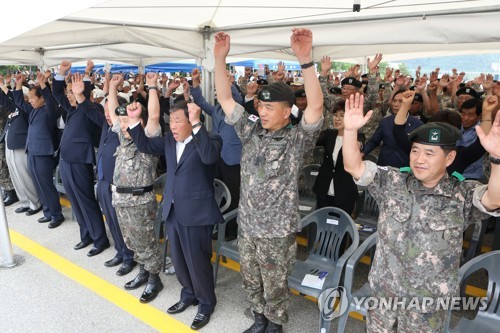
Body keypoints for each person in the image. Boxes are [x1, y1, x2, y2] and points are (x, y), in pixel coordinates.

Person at [342, 93, 500, 333]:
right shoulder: (393, 181)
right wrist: (350, 131)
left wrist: (497, 158)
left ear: (450, 158)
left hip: (427, 305)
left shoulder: (461, 194)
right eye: (416, 151)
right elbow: (353, 166)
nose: (419, 160)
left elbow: (494, 198)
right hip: (385, 295)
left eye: (429, 153)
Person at [214, 28, 324, 333]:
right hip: (249, 224)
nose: (261, 112)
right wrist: (220, 58)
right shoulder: (251, 131)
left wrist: (306, 61)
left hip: (277, 229)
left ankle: (275, 324)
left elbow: (315, 108)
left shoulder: (296, 139)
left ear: (287, 112)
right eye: (260, 106)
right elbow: (224, 98)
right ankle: (259, 318)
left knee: (275, 281)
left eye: (269, 107)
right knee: (250, 276)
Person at [127, 100, 223, 330]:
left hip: (197, 213)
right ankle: (188, 293)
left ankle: (206, 303)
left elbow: (210, 158)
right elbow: (146, 146)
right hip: (173, 210)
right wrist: (133, 120)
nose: (173, 126)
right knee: (179, 260)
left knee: (198, 261)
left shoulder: (210, 140)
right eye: (171, 121)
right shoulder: (170, 140)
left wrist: (198, 123)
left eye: (178, 120)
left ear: (191, 121)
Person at [107, 73, 164, 303]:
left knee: (146, 241)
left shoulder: (147, 138)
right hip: (121, 200)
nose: (123, 125)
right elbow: (113, 113)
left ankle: (154, 279)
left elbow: (155, 115)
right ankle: (143, 270)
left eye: (128, 122)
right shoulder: (124, 139)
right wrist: (112, 88)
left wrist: (151, 87)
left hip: (140, 201)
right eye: (123, 123)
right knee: (132, 241)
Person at [78, 72, 137, 276]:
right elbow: (87, 109)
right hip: (103, 180)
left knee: (121, 222)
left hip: (117, 183)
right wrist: (80, 96)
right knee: (111, 220)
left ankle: (129, 256)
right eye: (105, 111)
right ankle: (120, 251)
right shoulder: (106, 124)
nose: (106, 115)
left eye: (109, 111)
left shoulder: (123, 127)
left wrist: (112, 88)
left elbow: (114, 109)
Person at [52, 61, 110, 255]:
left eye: (73, 92)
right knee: (75, 201)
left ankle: (100, 240)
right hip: (66, 159)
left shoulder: (91, 108)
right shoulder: (71, 109)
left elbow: (100, 121)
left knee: (86, 200)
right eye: (69, 92)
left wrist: (82, 91)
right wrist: (61, 73)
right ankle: (86, 236)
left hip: (80, 161)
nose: (68, 95)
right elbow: (56, 94)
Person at [12, 72, 64, 228]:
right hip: (32, 151)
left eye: (33, 98)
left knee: (46, 184)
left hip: (43, 153)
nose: (31, 101)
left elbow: (50, 99)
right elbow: (20, 101)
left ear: (42, 98)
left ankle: (56, 214)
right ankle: (48, 212)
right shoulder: (34, 110)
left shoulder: (49, 111)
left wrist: (43, 83)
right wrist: (19, 84)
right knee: (38, 184)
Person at [312, 101, 364, 215]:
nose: (337, 119)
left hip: (344, 190)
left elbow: (358, 147)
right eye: (335, 115)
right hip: (324, 188)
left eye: (342, 115)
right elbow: (312, 139)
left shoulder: (358, 137)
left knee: (341, 227)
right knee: (321, 223)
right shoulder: (328, 135)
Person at [0, 81, 41, 215]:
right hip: (10, 145)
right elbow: (5, 101)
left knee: (24, 176)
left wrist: (7, 88)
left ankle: (35, 203)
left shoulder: (27, 109)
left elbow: (13, 98)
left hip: (20, 145)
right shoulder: (14, 109)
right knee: (16, 176)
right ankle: (25, 202)